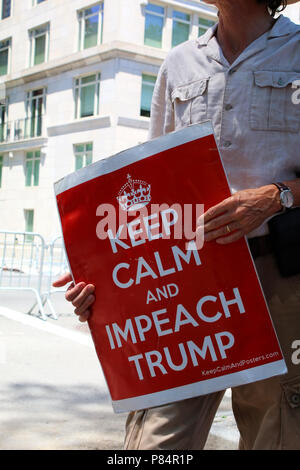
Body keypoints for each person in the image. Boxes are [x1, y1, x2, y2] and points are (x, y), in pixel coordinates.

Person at [53, 0, 300, 450]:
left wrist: (276, 196)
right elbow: (153, 183)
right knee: (154, 440)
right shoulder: (178, 63)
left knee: (277, 432)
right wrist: (105, 264)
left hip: (280, 280)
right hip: (187, 284)